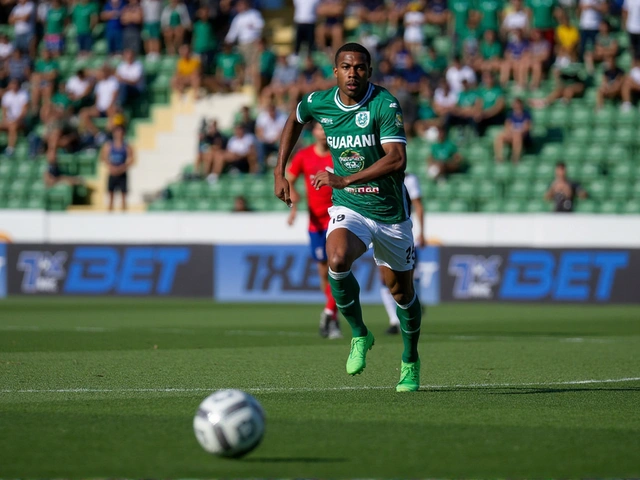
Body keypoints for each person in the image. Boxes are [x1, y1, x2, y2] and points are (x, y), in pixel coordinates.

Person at [274, 43, 422, 392]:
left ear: (368, 72)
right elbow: (294, 120)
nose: (352, 73)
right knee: (336, 259)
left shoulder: (384, 104)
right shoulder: (319, 102)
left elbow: (397, 159)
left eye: (359, 67)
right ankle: (359, 333)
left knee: (401, 293)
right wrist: (279, 171)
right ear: (335, 71)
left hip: (389, 214)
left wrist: (345, 178)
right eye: (346, 67)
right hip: (349, 206)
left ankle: (410, 359)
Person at [286, 122, 342, 340]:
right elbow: (289, 179)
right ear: (314, 132)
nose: (324, 132)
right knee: (324, 273)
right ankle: (331, 312)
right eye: (320, 128)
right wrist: (293, 200)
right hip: (315, 224)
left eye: (327, 128)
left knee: (336, 267)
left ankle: (331, 315)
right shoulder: (304, 156)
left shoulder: (339, 155)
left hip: (336, 219)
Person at [381, 172, 425, 335]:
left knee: (408, 275)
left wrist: (422, 232)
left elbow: (418, 205)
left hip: (401, 231)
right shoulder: (373, 175)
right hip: (379, 230)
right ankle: (394, 320)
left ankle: (415, 304)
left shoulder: (409, 179)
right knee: (383, 277)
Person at [100, 125, 134, 211]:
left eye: (121, 132)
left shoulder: (126, 146)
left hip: (122, 173)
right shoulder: (109, 146)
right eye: (117, 132)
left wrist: (122, 168)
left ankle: (123, 214)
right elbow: (104, 158)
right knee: (111, 196)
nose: (119, 134)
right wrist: (111, 167)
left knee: (123, 196)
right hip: (112, 172)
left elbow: (131, 159)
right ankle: (110, 215)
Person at [494, 97, 531, 163]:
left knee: (517, 136)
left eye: (518, 104)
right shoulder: (510, 115)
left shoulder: (526, 115)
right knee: (500, 136)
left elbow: (526, 128)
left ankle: (515, 158)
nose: (516, 106)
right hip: (512, 134)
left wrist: (517, 131)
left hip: (523, 136)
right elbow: (507, 126)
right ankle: (499, 157)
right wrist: (510, 132)